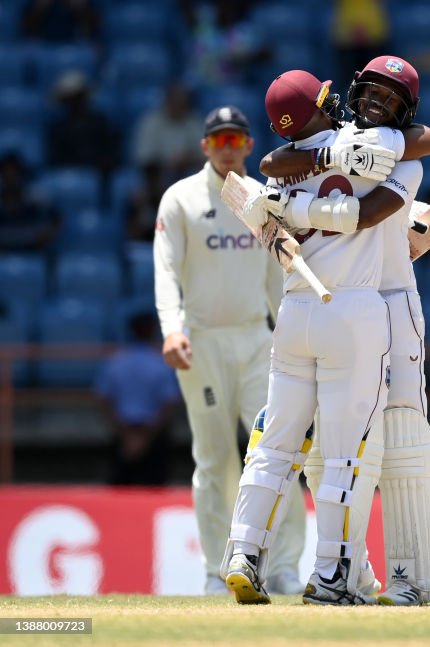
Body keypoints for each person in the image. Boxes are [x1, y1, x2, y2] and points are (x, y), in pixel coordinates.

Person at [220, 66, 430, 606]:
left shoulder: (280, 172)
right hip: (354, 308)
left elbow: (271, 168)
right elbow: (369, 205)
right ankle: (337, 575)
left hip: (298, 310)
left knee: (274, 444)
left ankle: (243, 553)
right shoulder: (369, 149)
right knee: (344, 455)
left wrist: (287, 207)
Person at [153, 105, 306, 596]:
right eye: (219, 141)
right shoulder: (180, 199)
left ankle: (282, 566)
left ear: (248, 146)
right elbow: (166, 270)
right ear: (205, 147)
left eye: (236, 141)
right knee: (216, 460)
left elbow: (276, 278)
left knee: (277, 454)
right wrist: (172, 329)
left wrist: (295, 334)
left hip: (256, 341)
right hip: (201, 343)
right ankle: (216, 572)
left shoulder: (263, 198)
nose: (227, 149)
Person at [94, 311, 180, 486]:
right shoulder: (161, 363)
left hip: (124, 433)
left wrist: (126, 434)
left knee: (120, 492)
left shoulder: (115, 361)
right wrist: (146, 437)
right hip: (152, 434)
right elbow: (170, 402)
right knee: (154, 491)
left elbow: (102, 399)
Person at [133, 82, 206, 185]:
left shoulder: (193, 121)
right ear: (167, 100)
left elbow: (206, 155)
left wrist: (187, 159)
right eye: (175, 100)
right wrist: (169, 163)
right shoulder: (151, 122)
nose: (178, 104)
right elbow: (145, 158)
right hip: (156, 176)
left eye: (182, 102)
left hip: (188, 173)